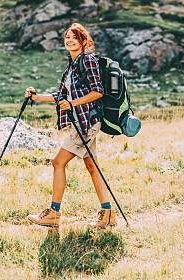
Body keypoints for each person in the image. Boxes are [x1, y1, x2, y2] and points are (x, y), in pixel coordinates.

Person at [24, 22, 117, 229]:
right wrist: (36, 97)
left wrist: (73, 104)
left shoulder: (88, 61)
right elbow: (61, 97)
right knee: (92, 167)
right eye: (66, 36)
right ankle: (108, 213)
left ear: (83, 41)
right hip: (83, 122)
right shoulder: (72, 66)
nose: (69, 40)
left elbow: (98, 91)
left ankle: (54, 213)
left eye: (74, 36)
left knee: (58, 163)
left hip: (86, 122)